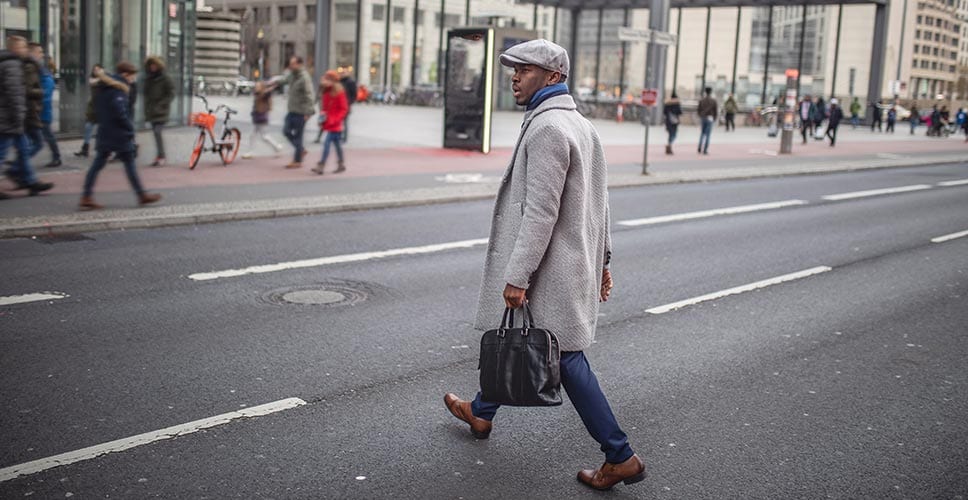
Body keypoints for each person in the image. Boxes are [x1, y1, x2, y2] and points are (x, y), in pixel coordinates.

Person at [443, 39, 645, 492]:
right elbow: (599, 205)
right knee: (524, 340)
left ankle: (620, 454)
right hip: (570, 263)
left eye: (525, 69)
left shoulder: (549, 129)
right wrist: (604, 260)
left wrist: (518, 275)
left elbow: (541, 212)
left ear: (553, 77)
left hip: (550, 268)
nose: (514, 76)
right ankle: (481, 411)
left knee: (565, 358)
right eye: (513, 69)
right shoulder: (581, 126)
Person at [79, 62, 161, 210]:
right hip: (117, 133)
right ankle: (141, 195)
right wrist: (130, 129)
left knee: (99, 164)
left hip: (106, 131)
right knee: (128, 164)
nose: (133, 79)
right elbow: (120, 113)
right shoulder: (117, 89)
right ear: (124, 75)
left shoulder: (105, 87)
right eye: (132, 76)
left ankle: (87, 195)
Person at [0, 35, 52, 198]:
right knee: (2, 153)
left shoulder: (16, 63)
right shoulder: (12, 65)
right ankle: (28, 180)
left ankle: (30, 181)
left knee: (23, 149)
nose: (25, 50)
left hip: (12, 118)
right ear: (14, 49)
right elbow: (14, 94)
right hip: (8, 118)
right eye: (22, 47)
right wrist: (17, 118)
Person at [275, 56, 315, 169]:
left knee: (298, 136)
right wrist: (272, 83)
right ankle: (301, 150)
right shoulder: (292, 75)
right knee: (286, 131)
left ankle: (297, 160)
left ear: (299, 65)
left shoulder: (304, 78)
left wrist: (308, 113)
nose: (290, 66)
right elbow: (284, 80)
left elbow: (309, 96)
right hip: (292, 110)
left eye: (293, 64)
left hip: (301, 112)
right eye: (290, 63)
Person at [28, 43, 61, 168]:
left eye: (41, 52)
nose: (41, 55)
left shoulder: (44, 74)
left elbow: (45, 95)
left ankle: (56, 157)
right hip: (35, 111)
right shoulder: (34, 68)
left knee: (46, 136)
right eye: (40, 52)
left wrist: (38, 107)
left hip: (41, 112)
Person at [312, 70, 348, 175]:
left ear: (333, 81)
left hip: (335, 124)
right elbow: (324, 108)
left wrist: (335, 119)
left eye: (327, 79)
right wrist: (322, 118)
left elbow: (343, 109)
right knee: (337, 145)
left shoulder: (339, 93)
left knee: (327, 144)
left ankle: (321, 165)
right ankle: (341, 164)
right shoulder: (326, 91)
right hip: (329, 122)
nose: (324, 81)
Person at [143, 56, 175, 167]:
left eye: (154, 65)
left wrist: (162, 104)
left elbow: (171, 94)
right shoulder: (149, 78)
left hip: (161, 111)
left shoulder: (165, 78)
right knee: (156, 133)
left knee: (157, 132)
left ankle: (161, 156)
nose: (153, 67)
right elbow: (146, 94)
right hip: (152, 110)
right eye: (151, 65)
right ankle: (160, 156)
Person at [241, 81, 283, 159]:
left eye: (258, 86)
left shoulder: (263, 94)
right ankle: (276, 147)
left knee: (263, 136)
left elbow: (267, 93)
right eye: (256, 86)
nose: (256, 87)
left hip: (261, 117)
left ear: (261, 87)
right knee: (255, 135)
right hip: (258, 117)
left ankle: (277, 147)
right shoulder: (258, 94)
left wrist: (272, 87)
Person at [73, 64, 102, 158]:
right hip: (93, 108)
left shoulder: (105, 80)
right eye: (95, 70)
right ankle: (85, 148)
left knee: (100, 130)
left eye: (98, 69)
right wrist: (101, 78)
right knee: (88, 127)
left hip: (102, 108)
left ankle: (100, 150)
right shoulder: (94, 79)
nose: (96, 71)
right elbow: (91, 82)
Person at [338, 68, 357, 143]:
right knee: (338, 122)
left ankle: (344, 138)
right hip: (338, 105)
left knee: (345, 122)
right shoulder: (339, 81)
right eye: (342, 72)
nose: (342, 74)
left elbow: (354, 95)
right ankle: (339, 136)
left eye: (344, 72)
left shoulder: (351, 82)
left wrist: (349, 102)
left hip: (346, 105)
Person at [697, 87, 717, 155]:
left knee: (702, 133)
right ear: (711, 92)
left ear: (705, 92)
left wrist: (701, 115)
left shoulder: (702, 100)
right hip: (710, 118)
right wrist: (714, 118)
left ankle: (699, 147)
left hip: (703, 118)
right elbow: (715, 111)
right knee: (708, 134)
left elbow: (698, 110)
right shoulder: (713, 101)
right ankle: (705, 150)